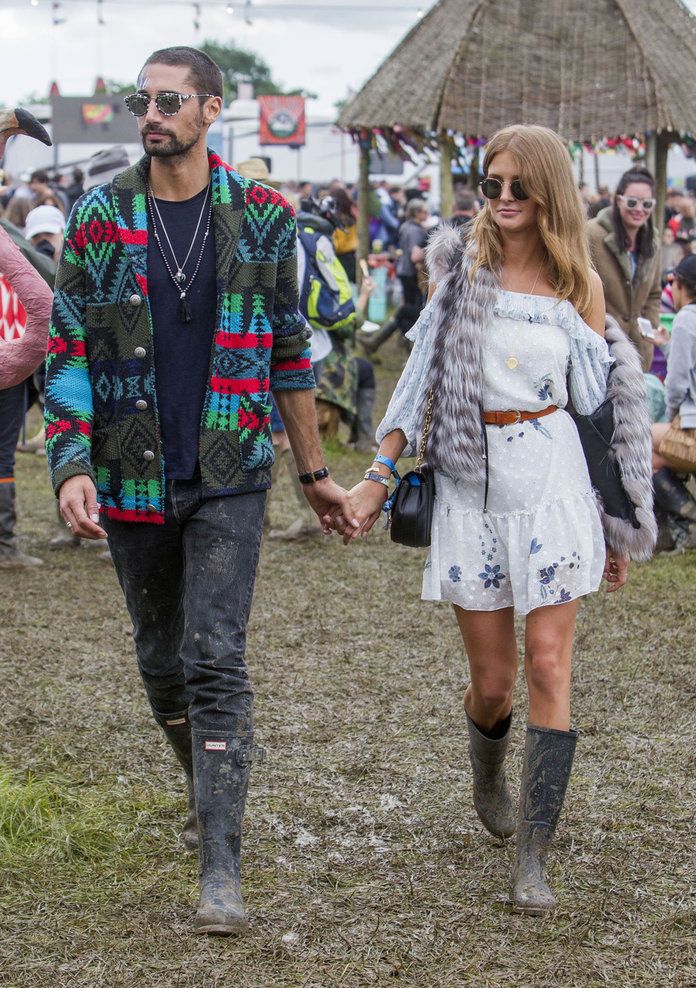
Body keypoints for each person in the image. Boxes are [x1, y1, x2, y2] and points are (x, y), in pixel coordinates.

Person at [43, 45, 355, 936]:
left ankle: (221, 861)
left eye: (170, 99)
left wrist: (313, 476)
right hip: (131, 471)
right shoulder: (98, 216)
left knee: (216, 655)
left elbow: (291, 354)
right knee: (159, 660)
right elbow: (69, 350)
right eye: (142, 98)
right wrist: (69, 466)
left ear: (211, 111)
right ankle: (204, 783)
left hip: (230, 473)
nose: (152, 112)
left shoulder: (262, 216)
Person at [343, 125, 655, 915]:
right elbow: (413, 387)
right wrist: (376, 479)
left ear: (548, 191)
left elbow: (598, 415)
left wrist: (617, 524)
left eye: (520, 186)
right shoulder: (462, 276)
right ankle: (488, 769)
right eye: (493, 185)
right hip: (472, 491)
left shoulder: (578, 284)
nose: (505, 199)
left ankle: (534, 855)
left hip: (552, 482)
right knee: (493, 683)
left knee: (549, 664)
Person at [0, 227, 54, 568]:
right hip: (10, 355)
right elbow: (49, 272)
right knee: (2, 454)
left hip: (11, 359)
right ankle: (3, 546)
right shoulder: (12, 239)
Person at [587, 167, 661, 371]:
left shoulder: (652, 241)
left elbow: (654, 293)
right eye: (632, 202)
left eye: (647, 204)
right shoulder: (592, 234)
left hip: (638, 349)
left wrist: (649, 327)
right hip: (601, 346)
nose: (639, 209)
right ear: (618, 200)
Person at [651, 254, 696, 548]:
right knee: (653, 458)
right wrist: (667, 347)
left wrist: (667, 418)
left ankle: (687, 522)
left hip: (692, 432)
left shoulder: (685, 319)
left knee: (639, 445)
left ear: (678, 284)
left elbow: (678, 385)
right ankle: (681, 531)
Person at [363, 198, 429, 354]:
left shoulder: (406, 226)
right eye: (424, 211)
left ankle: (394, 339)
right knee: (412, 309)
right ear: (417, 213)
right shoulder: (415, 231)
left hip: (403, 270)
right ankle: (406, 339)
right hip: (412, 273)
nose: (427, 214)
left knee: (408, 307)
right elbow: (415, 253)